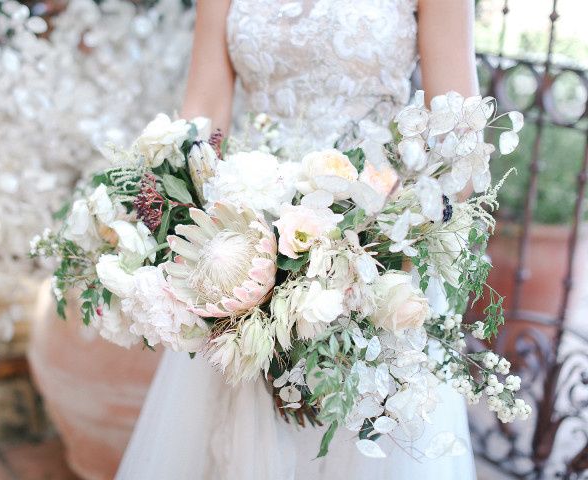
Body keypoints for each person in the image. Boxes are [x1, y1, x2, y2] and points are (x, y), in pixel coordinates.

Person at [117, 1, 478, 478]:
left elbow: (458, 143)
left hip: (374, 250)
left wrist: (370, 239)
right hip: (249, 244)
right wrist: (170, 205)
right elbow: (203, 112)